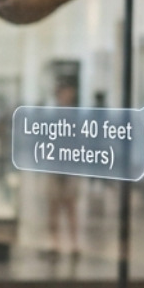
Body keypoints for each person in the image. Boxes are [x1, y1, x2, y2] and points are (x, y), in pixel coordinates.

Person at [44, 82, 81, 260]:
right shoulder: (52, 116)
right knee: (54, 206)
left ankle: (74, 243)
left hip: (71, 166)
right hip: (55, 166)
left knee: (70, 205)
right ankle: (54, 242)